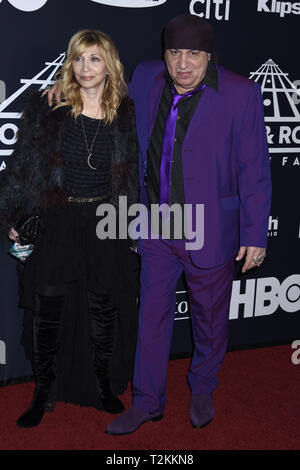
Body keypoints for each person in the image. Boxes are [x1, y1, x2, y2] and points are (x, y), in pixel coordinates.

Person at [48, 15, 271, 435]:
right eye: (174, 52)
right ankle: (148, 401)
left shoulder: (241, 93)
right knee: (150, 318)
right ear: (163, 54)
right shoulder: (147, 76)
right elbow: (106, 94)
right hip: (157, 223)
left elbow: (254, 168)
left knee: (209, 318)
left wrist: (255, 233)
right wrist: (67, 90)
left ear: (209, 55)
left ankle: (202, 386)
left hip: (208, 227)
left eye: (192, 54)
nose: (182, 64)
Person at [0, 29, 139, 428]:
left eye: (94, 59)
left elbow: (129, 179)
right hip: (57, 220)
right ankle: (43, 390)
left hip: (104, 221)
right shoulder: (48, 105)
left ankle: (101, 385)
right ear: (70, 63)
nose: (85, 68)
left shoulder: (124, 111)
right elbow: (22, 164)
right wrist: (10, 217)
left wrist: (127, 227)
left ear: (108, 64)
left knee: (103, 309)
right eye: (78, 59)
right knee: (48, 309)